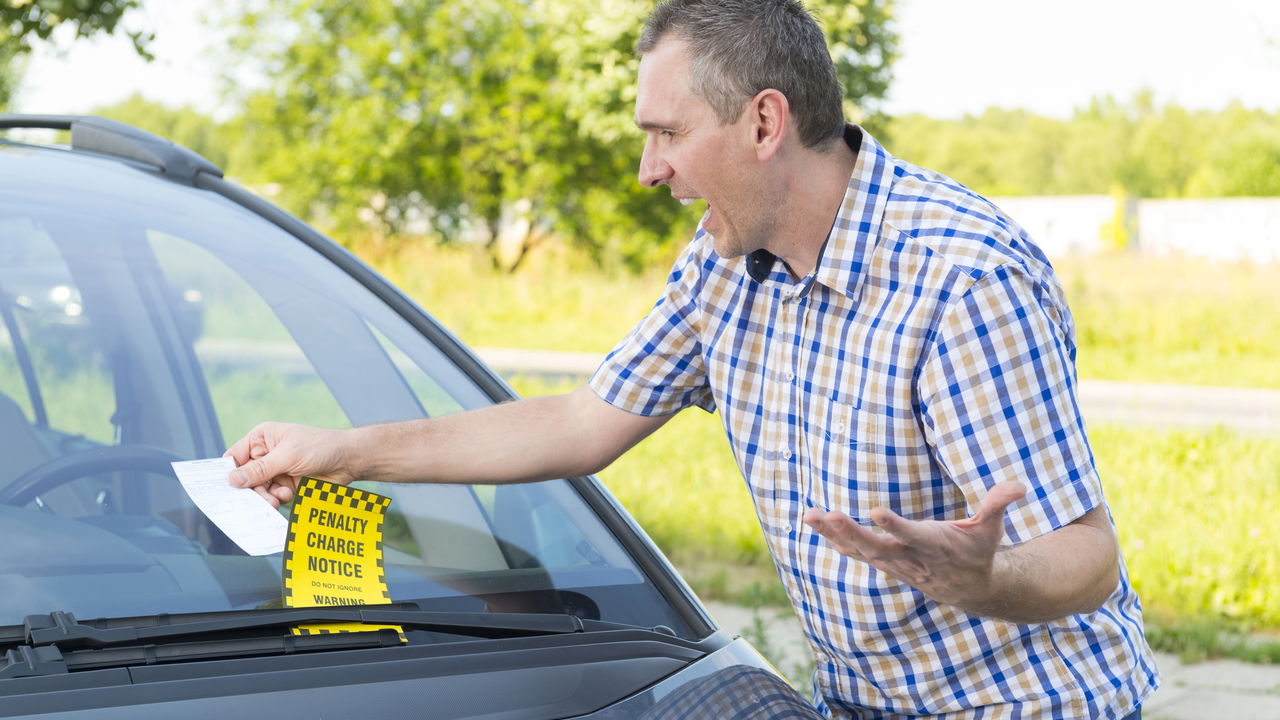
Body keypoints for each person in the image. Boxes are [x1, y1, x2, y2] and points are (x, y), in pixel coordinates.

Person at [226, 1, 1158, 716]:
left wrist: (985, 579)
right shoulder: (725, 269)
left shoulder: (960, 279)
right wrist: (341, 452)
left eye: (666, 133)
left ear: (762, 124)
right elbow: (580, 421)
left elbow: (1087, 556)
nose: (648, 169)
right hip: (856, 698)